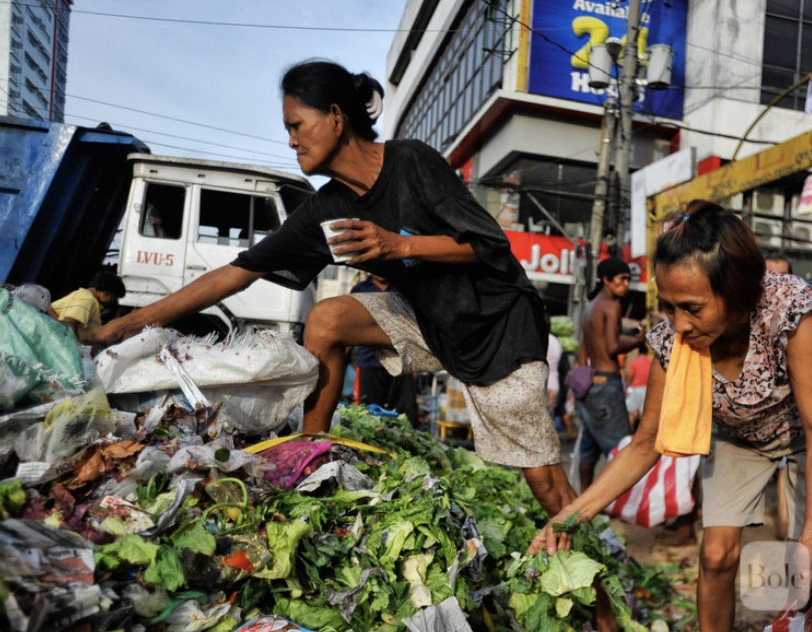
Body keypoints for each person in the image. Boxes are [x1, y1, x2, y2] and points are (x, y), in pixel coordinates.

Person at [88, 60, 576, 520]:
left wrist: (398, 244)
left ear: (336, 118)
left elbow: (489, 245)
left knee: (545, 483)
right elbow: (237, 272)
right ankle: (308, 460)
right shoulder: (328, 208)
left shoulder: (410, 161)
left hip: (499, 325)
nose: (291, 141)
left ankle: (594, 572)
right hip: (431, 322)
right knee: (327, 319)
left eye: (296, 126)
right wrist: (120, 328)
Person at [530, 201, 812, 632]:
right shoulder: (673, 343)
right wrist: (571, 515)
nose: (680, 325)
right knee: (715, 554)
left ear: (739, 296)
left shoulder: (792, 313)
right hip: (740, 430)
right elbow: (645, 443)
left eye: (692, 308)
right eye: (669, 308)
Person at [575, 257, 644, 490]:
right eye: (622, 279)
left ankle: (584, 496)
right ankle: (621, 500)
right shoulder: (612, 306)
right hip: (607, 383)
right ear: (606, 279)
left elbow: (583, 351)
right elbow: (613, 347)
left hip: (591, 384)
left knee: (589, 448)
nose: (626, 284)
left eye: (628, 280)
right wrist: (638, 341)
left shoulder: (590, 307)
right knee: (622, 448)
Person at [350, 274, 418, 423]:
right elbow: (353, 324)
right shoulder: (360, 289)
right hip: (369, 361)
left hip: (402, 361)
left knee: (406, 416)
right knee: (365, 415)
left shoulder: (403, 287)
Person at [49, 271, 126, 342]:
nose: (112, 300)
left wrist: (59, 326)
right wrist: (74, 344)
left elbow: (51, 309)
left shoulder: (79, 293)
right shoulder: (89, 300)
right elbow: (70, 321)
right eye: (112, 297)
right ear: (105, 292)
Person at [624, 343, 651, 428]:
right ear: (646, 353)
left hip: (637, 389)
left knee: (631, 412)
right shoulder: (650, 363)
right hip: (648, 391)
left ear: (639, 352)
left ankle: (630, 431)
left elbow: (630, 376)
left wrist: (626, 387)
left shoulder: (635, 362)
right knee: (645, 415)